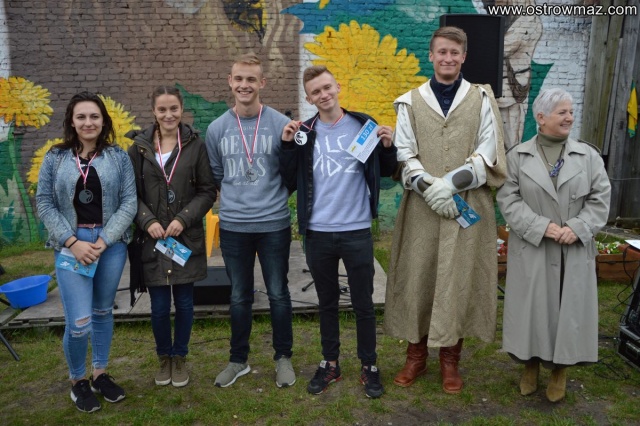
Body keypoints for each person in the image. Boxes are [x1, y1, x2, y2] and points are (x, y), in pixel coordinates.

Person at [383, 26, 507, 394]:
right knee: (419, 275)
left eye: (455, 52)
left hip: (467, 202)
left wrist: (448, 186)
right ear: (431, 55)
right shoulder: (409, 102)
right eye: (442, 52)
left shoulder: (481, 99)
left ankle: (450, 359)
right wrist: (430, 189)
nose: (448, 58)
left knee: (460, 278)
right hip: (422, 208)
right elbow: (404, 153)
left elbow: (488, 151)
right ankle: (416, 355)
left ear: (463, 56)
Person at [279, 65, 397, 398]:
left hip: (356, 230)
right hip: (317, 232)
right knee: (327, 303)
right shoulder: (304, 133)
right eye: (316, 91)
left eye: (327, 87)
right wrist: (286, 146)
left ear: (338, 86)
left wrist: (388, 147)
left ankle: (369, 365)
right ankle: (330, 362)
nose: (323, 95)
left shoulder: (363, 125)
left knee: (363, 303)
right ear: (309, 98)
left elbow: (386, 172)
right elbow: (289, 180)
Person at [496, 88, 611, 402]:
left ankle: (560, 369)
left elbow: (600, 199)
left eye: (571, 112)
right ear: (541, 117)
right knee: (532, 309)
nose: (570, 117)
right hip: (533, 246)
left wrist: (577, 228)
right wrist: (541, 226)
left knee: (567, 309)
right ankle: (530, 364)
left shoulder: (588, 156)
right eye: (562, 112)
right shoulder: (518, 156)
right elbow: (508, 199)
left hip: (573, 248)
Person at [36, 91, 137, 413]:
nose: (88, 122)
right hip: (72, 246)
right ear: (72, 121)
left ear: (104, 121)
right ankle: (77, 380)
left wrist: (104, 241)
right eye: (81, 116)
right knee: (79, 322)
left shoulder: (118, 157)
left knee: (103, 312)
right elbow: (44, 202)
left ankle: (100, 374)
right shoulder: (55, 158)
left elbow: (129, 202)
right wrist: (72, 242)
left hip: (110, 245)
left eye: (94, 116)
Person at [204, 54, 296, 388]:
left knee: (278, 294)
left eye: (251, 79)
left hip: (273, 224)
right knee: (239, 296)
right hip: (234, 226)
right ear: (230, 81)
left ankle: (283, 357)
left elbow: (289, 171)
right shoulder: (216, 129)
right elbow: (218, 175)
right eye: (239, 79)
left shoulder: (279, 123)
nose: (245, 85)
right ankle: (238, 360)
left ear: (262, 83)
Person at [126, 86, 216, 388]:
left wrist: (183, 218)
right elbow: (129, 194)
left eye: (173, 109)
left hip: (184, 238)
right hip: (152, 241)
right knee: (160, 306)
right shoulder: (138, 148)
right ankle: (164, 357)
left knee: (186, 304)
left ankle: (180, 357)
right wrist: (146, 220)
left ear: (181, 109)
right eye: (162, 109)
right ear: (154, 111)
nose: (168, 115)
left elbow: (207, 191)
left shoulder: (195, 146)